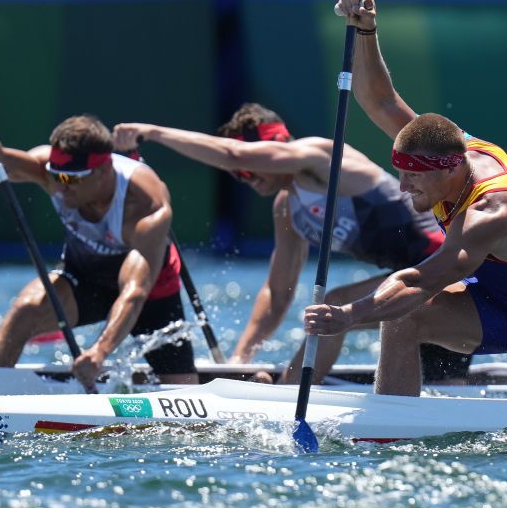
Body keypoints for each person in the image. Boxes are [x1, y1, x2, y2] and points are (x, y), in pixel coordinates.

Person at [300, 0, 507, 404]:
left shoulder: (495, 210)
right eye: (400, 173)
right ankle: (392, 430)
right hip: (495, 307)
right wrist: (366, 30)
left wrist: (349, 315)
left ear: (451, 169)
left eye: (412, 178)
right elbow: (380, 101)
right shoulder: (447, 146)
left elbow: (426, 277)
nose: (403, 187)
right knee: (403, 318)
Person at [112, 104, 473, 384]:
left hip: (447, 275)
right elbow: (277, 292)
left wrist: (153, 132)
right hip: (410, 288)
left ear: (276, 148)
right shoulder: (287, 207)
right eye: (240, 177)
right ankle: (291, 388)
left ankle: (290, 393)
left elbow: (235, 154)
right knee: (444, 383)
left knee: (336, 303)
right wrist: (241, 360)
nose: (246, 177)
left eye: (253, 167)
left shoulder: (319, 156)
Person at [0, 93, 199, 388]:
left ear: (104, 170)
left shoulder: (145, 204)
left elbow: (134, 291)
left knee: (183, 393)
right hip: (86, 279)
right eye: (56, 176)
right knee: (26, 308)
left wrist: (99, 351)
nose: (61, 187)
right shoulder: (53, 174)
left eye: (72, 179)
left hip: (149, 293)